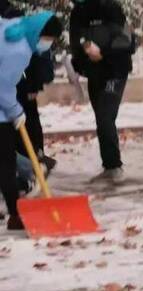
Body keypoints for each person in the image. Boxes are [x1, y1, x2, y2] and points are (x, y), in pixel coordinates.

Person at [0, 11, 62, 230]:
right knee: (5, 162)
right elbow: (3, 87)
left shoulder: (13, 27)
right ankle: (16, 216)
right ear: (40, 35)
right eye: (49, 40)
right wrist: (16, 112)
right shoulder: (20, 51)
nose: (49, 44)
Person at [70, 0, 134, 183]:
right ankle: (109, 165)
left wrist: (103, 52)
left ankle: (114, 166)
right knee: (101, 119)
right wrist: (85, 46)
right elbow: (76, 38)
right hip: (94, 73)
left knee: (106, 117)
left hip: (115, 71)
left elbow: (125, 39)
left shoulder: (111, 7)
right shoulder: (78, 11)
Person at [1, 0, 57, 179]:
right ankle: (30, 168)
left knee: (25, 127)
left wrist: (34, 83)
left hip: (20, 87)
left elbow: (35, 57)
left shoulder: (13, 19)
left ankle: (33, 166)